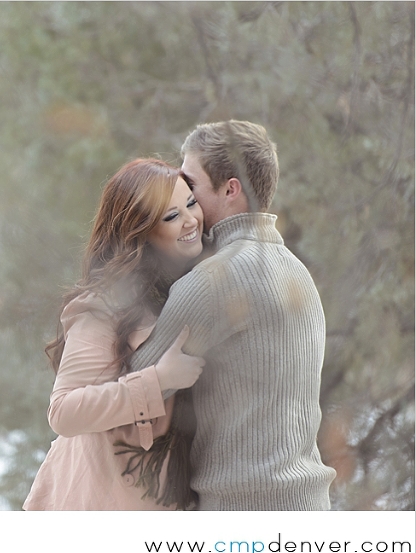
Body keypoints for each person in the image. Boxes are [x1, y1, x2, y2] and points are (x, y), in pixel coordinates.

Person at [130, 120, 337, 510]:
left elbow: (129, 386)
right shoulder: (296, 271)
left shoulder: (215, 279)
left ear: (230, 189)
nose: (179, 193)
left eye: (189, 184)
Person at [23, 158, 206, 510]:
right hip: (91, 504)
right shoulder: (104, 305)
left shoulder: (194, 287)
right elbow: (63, 412)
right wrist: (159, 380)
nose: (190, 221)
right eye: (170, 216)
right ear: (141, 231)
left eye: (191, 203)